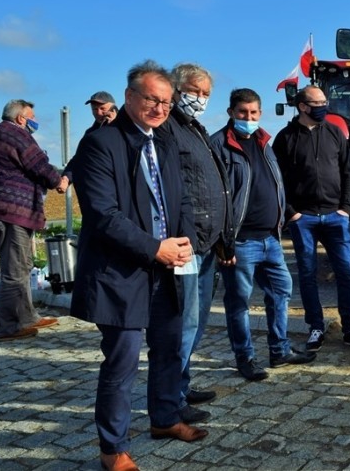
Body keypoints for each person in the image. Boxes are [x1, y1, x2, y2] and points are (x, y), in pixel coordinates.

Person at [69, 60, 208, 471]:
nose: (161, 108)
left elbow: (179, 199)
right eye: (152, 99)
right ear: (130, 97)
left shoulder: (163, 142)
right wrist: (155, 249)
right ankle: (113, 449)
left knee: (168, 350)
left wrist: (184, 244)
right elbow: (103, 215)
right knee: (122, 362)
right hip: (120, 273)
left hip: (166, 268)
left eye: (167, 101)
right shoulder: (100, 144)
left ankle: (165, 419)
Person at [211, 88, 316, 383]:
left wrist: (284, 214)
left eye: (254, 113)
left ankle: (279, 349)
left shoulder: (264, 141)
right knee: (239, 302)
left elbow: (275, 182)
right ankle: (245, 358)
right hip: (241, 242)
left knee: (281, 290)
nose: (249, 117)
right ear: (231, 112)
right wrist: (224, 240)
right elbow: (215, 196)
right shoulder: (218, 145)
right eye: (243, 112)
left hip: (270, 239)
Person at [272, 86, 350, 352]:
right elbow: (277, 180)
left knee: (346, 273)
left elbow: (348, 172)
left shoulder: (335, 133)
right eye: (318, 103)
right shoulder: (285, 138)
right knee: (307, 273)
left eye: (325, 102)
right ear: (303, 106)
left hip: (335, 217)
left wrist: (346, 208)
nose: (324, 107)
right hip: (303, 218)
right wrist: (292, 212)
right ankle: (315, 327)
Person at [160, 63, 232, 424]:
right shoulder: (168, 129)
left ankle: (182, 384)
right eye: (194, 91)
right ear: (175, 89)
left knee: (198, 321)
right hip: (185, 244)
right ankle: (170, 399)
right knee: (183, 323)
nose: (200, 99)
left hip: (207, 244)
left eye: (206, 94)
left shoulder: (196, 130)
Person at [0, 99, 64, 341]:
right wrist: (58, 181)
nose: (35, 122)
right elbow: (38, 165)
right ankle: (8, 326)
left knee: (20, 265)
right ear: (21, 118)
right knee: (15, 270)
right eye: (32, 117)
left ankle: (28, 316)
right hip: (14, 212)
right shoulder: (17, 135)